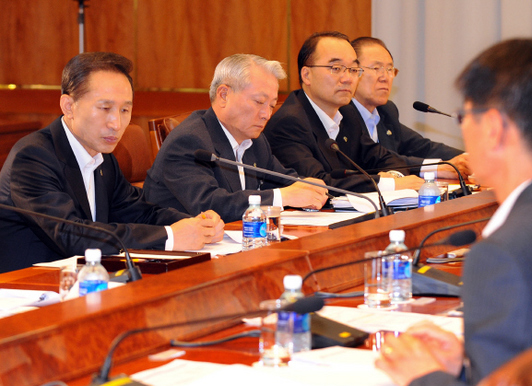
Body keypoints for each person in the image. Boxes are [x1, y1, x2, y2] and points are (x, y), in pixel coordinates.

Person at [375, 38, 532, 386]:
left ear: (493, 128)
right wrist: (467, 365)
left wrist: (423, 378)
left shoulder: (500, 254)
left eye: (464, 117)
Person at [0, 52, 224, 273]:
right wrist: (170, 237)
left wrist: (197, 224)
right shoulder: (33, 157)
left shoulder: (103, 158)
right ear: (69, 106)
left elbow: (140, 211)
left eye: (125, 110)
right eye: (105, 108)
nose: (116, 123)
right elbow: (72, 235)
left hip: (85, 279)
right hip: (28, 288)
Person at [143, 54, 328, 223]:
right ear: (224, 95)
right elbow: (210, 205)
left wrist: (308, 186)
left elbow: (281, 178)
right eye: (259, 102)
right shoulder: (189, 141)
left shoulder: (255, 140)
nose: (266, 114)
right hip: (182, 252)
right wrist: (283, 196)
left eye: (271, 105)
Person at [264, 31, 424, 194]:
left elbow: (387, 159)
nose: (348, 78)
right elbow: (318, 184)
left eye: (354, 69)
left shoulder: (347, 114)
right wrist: (389, 185)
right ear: (307, 75)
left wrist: (393, 176)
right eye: (336, 68)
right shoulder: (289, 123)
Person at [341, 36, 469, 180]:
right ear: (353, 72)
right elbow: (377, 160)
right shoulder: (341, 113)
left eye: (390, 69)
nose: (385, 77)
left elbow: (422, 147)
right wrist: (436, 168)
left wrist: (469, 159)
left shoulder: (386, 111)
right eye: (376, 68)